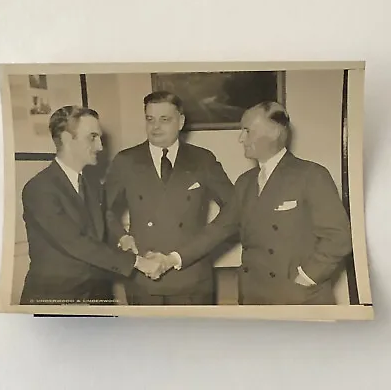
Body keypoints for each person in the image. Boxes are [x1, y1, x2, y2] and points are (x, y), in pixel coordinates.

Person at [164, 101, 353, 305]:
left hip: (299, 298)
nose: (240, 138)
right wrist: (172, 258)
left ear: (273, 132)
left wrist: (308, 277)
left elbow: (339, 237)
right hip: (253, 296)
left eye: (247, 131)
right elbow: (218, 228)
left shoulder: (312, 176)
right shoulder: (245, 182)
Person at [20, 105, 162, 305]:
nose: (100, 147)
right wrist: (138, 263)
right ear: (68, 139)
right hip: (56, 299)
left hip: (96, 294)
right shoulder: (39, 189)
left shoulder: (93, 185)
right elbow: (75, 242)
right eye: (92, 137)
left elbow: (104, 217)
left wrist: (123, 237)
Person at [104, 91, 234, 305]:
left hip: (191, 276)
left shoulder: (203, 160)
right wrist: (122, 237)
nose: (155, 127)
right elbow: (101, 209)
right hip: (142, 277)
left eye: (164, 120)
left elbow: (233, 210)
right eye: (150, 119)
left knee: (193, 338)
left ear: (180, 122)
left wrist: (190, 251)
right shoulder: (126, 161)